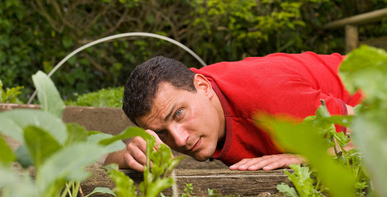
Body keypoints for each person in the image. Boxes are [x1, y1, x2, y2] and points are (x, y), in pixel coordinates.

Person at [104, 53, 362, 172]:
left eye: (179, 114)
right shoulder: (178, 99)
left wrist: (305, 157)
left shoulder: (274, 101)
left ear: (203, 86)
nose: (179, 140)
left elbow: (375, 130)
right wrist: (128, 156)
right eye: (162, 132)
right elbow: (103, 160)